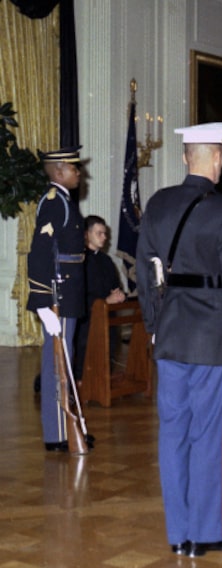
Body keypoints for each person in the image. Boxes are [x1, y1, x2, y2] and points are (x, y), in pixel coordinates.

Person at [136, 122, 222, 558]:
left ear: (187, 156)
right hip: (211, 340)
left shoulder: (159, 202)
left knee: (173, 433)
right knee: (208, 435)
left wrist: (151, 323)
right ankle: (205, 533)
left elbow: (144, 271)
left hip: (168, 335)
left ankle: (179, 534)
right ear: (217, 157)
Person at [27, 146, 94, 452]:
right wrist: (42, 303)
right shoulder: (55, 202)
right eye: (73, 168)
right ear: (58, 172)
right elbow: (40, 251)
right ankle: (57, 435)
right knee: (57, 362)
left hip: (68, 290)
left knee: (64, 362)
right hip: (59, 293)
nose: (79, 173)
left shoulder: (65, 201)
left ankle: (67, 429)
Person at [73, 215, 127, 380]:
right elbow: (79, 294)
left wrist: (119, 295)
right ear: (86, 234)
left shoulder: (106, 260)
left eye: (105, 233)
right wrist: (104, 301)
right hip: (86, 319)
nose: (104, 237)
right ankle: (81, 379)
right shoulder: (78, 260)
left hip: (106, 316)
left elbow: (115, 286)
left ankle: (102, 380)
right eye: (100, 233)